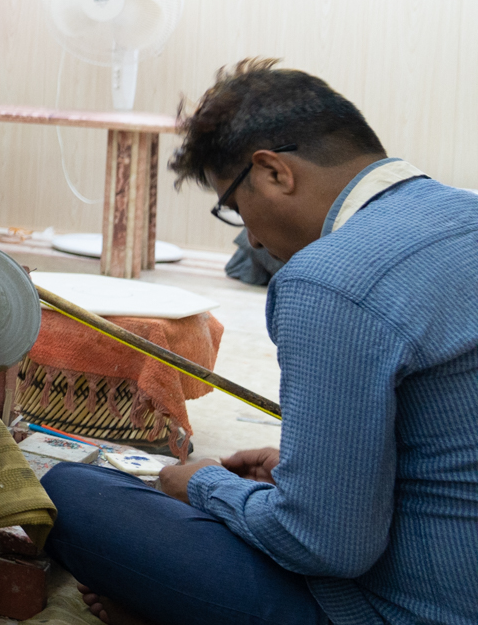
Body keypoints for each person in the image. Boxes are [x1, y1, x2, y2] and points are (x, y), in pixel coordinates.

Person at [42, 59, 478, 625]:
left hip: (406, 608)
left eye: (234, 206)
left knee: (73, 492)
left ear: (273, 172)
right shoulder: (465, 212)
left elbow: (326, 546)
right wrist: (303, 472)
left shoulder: (328, 280)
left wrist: (208, 486)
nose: (251, 236)